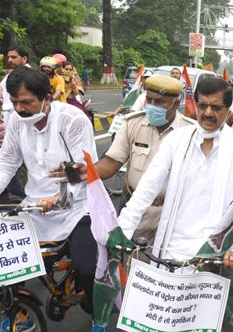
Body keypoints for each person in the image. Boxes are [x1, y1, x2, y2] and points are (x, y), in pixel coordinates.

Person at [0, 67, 101, 332]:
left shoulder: (72, 120)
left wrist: (58, 195)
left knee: (87, 267)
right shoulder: (16, 121)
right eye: (14, 102)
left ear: (47, 97)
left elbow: (82, 168)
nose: (19, 108)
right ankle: (21, 314)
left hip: (78, 206)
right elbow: (6, 161)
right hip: (34, 207)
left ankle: (100, 317)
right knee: (6, 259)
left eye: (26, 102)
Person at [117, 77, 233, 332]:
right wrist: (122, 227)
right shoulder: (177, 141)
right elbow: (147, 187)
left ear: (228, 110)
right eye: (202, 106)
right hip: (171, 243)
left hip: (212, 249)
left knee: (201, 324)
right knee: (158, 323)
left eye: (216, 107)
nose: (208, 113)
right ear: (195, 106)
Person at [83, 75, 195, 246]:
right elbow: (112, 162)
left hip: (173, 213)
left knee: (167, 267)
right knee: (135, 265)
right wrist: (87, 171)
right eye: (149, 99)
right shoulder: (132, 124)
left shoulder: (190, 131)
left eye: (160, 102)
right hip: (137, 211)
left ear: (176, 102)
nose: (152, 106)